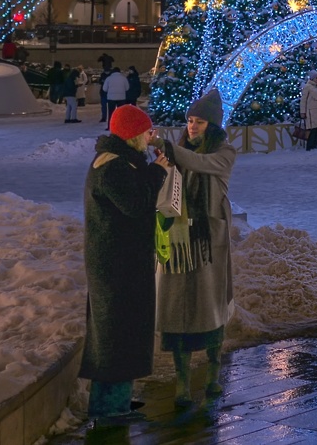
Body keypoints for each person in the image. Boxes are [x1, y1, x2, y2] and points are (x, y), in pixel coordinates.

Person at [79, 103, 169, 424]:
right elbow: (135, 204)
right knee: (116, 336)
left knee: (124, 333)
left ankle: (117, 401)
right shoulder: (111, 167)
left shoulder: (123, 161)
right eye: (147, 131)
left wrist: (150, 167)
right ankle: (108, 410)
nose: (151, 136)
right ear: (132, 135)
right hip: (115, 268)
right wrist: (158, 171)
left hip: (123, 263)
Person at [156, 88, 236, 407]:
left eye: (200, 122)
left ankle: (213, 375)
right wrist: (162, 168)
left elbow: (199, 163)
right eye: (190, 120)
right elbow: (164, 193)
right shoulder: (178, 153)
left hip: (208, 245)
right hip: (179, 242)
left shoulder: (224, 154)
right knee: (178, 312)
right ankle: (182, 383)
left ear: (212, 126)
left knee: (211, 309)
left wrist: (167, 149)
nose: (192, 126)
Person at [300, 73, 317, 151]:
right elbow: (303, 100)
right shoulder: (308, 87)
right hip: (311, 112)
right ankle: (310, 147)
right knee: (312, 130)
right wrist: (302, 112)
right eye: (316, 78)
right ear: (312, 78)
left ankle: (315, 146)